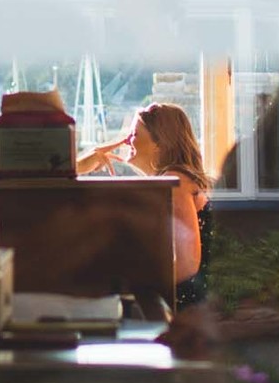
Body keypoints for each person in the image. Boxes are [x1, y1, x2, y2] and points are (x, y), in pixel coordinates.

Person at [77, 102, 209, 289]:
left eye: (134, 135)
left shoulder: (175, 183)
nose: (126, 141)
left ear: (160, 143)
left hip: (185, 305)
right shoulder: (171, 180)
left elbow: (186, 266)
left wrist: (131, 285)